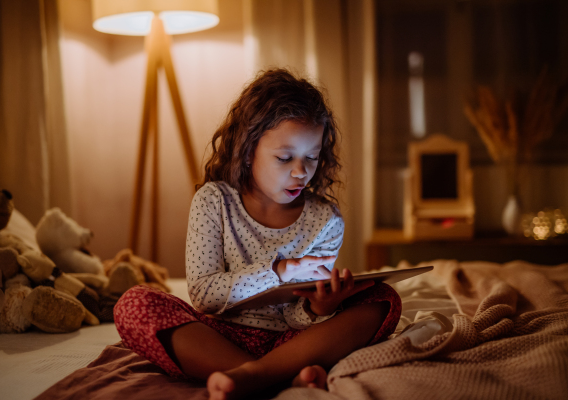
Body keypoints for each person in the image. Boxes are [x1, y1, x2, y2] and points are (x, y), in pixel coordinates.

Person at [114, 69, 402, 400]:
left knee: (383, 299)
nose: (301, 172)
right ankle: (274, 376)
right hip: (219, 335)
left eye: (312, 157)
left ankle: (254, 376)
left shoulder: (325, 220)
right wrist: (278, 272)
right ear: (248, 149)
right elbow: (205, 296)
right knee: (133, 303)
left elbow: (297, 318)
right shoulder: (214, 201)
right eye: (285, 158)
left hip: (293, 342)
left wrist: (318, 309)